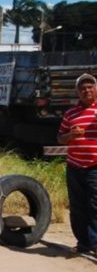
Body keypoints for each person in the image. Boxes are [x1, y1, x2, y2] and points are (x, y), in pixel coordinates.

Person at [57, 73, 97, 255]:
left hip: (94, 166)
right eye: (82, 88)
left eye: (90, 87)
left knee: (94, 205)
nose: (86, 90)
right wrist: (70, 136)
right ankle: (83, 243)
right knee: (77, 206)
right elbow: (60, 138)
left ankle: (95, 244)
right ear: (77, 92)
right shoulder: (71, 113)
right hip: (74, 166)